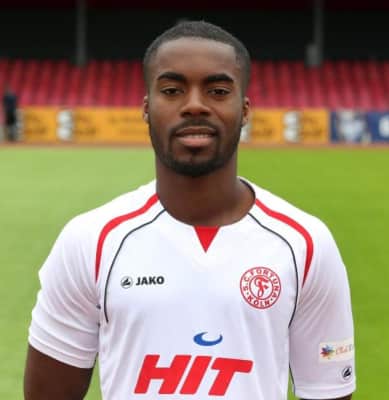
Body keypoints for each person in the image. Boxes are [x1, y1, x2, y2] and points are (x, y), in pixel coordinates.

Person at [24, 21, 355, 400]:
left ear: (244, 110)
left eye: (218, 91)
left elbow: (328, 390)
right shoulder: (89, 241)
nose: (195, 105)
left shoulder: (306, 245)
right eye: (172, 90)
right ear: (146, 109)